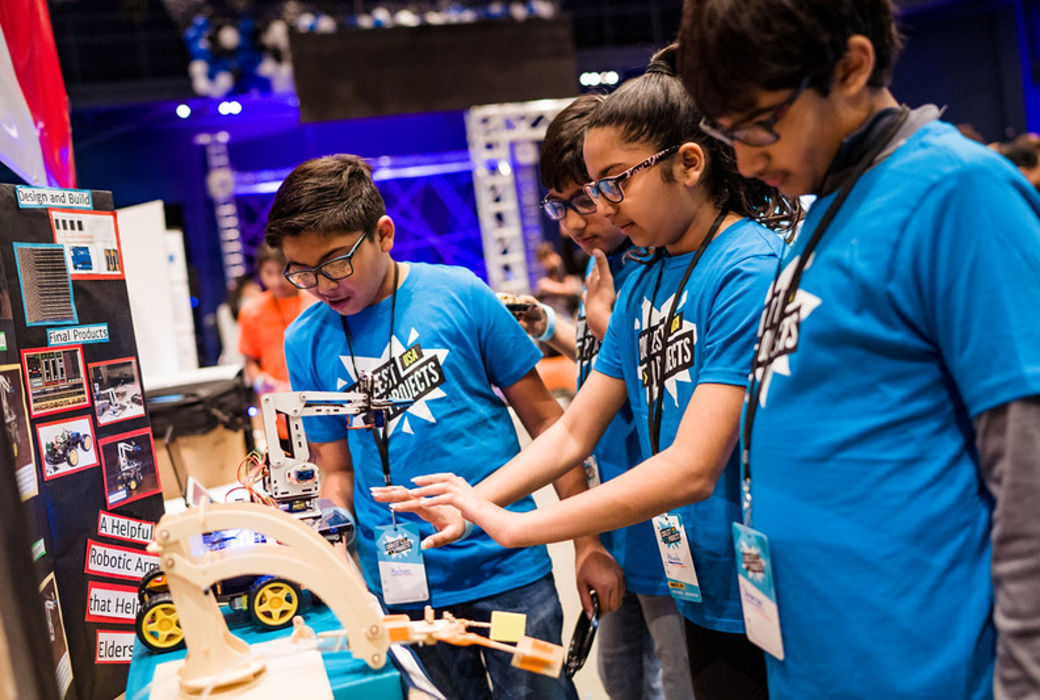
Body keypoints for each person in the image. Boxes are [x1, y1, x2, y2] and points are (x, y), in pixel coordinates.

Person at [378, 46, 799, 700]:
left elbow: (693, 466)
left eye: (611, 184)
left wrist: (520, 525)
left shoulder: (746, 264)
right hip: (698, 572)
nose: (597, 209)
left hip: (765, 571)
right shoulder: (646, 278)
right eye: (583, 193)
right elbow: (574, 429)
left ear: (689, 163)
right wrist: (479, 498)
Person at [677, 1, 1040, 697]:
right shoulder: (834, 206)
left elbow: (1029, 476)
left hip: (930, 675)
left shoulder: (958, 192)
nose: (747, 160)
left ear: (850, 67)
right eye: (725, 133)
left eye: (760, 124)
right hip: (821, 667)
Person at [266, 154, 618, 700]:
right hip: (400, 587)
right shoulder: (304, 339)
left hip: (508, 571)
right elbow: (334, 467)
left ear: (383, 233)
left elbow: (551, 423)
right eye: (301, 272)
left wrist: (587, 544)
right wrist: (326, 532)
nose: (321, 285)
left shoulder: (460, 294)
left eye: (335, 263)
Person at [510, 93, 695, 700]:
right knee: (622, 680)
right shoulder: (608, 270)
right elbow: (597, 388)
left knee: (675, 678)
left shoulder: (678, 267)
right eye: (559, 205)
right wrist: (553, 329)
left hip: (671, 524)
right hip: (615, 514)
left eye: (589, 197)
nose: (572, 223)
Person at [238, 244, 314, 397]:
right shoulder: (252, 311)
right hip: (276, 400)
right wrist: (260, 381)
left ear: (294, 269)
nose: (276, 281)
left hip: (318, 392)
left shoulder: (316, 301)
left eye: (281, 272)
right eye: (268, 273)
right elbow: (249, 361)